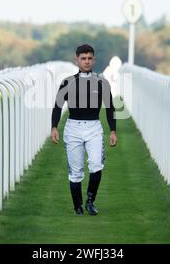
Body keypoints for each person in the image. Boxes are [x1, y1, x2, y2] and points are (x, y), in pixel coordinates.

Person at [51, 44, 118, 216]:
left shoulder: (102, 82)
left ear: (94, 60)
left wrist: (112, 131)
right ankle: (77, 206)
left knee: (96, 164)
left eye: (89, 58)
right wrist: (54, 127)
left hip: (94, 127)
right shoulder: (67, 82)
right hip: (73, 128)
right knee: (76, 171)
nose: (86, 62)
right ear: (76, 60)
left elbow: (110, 107)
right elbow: (58, 107)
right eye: (83, 58)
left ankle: (90, 201)